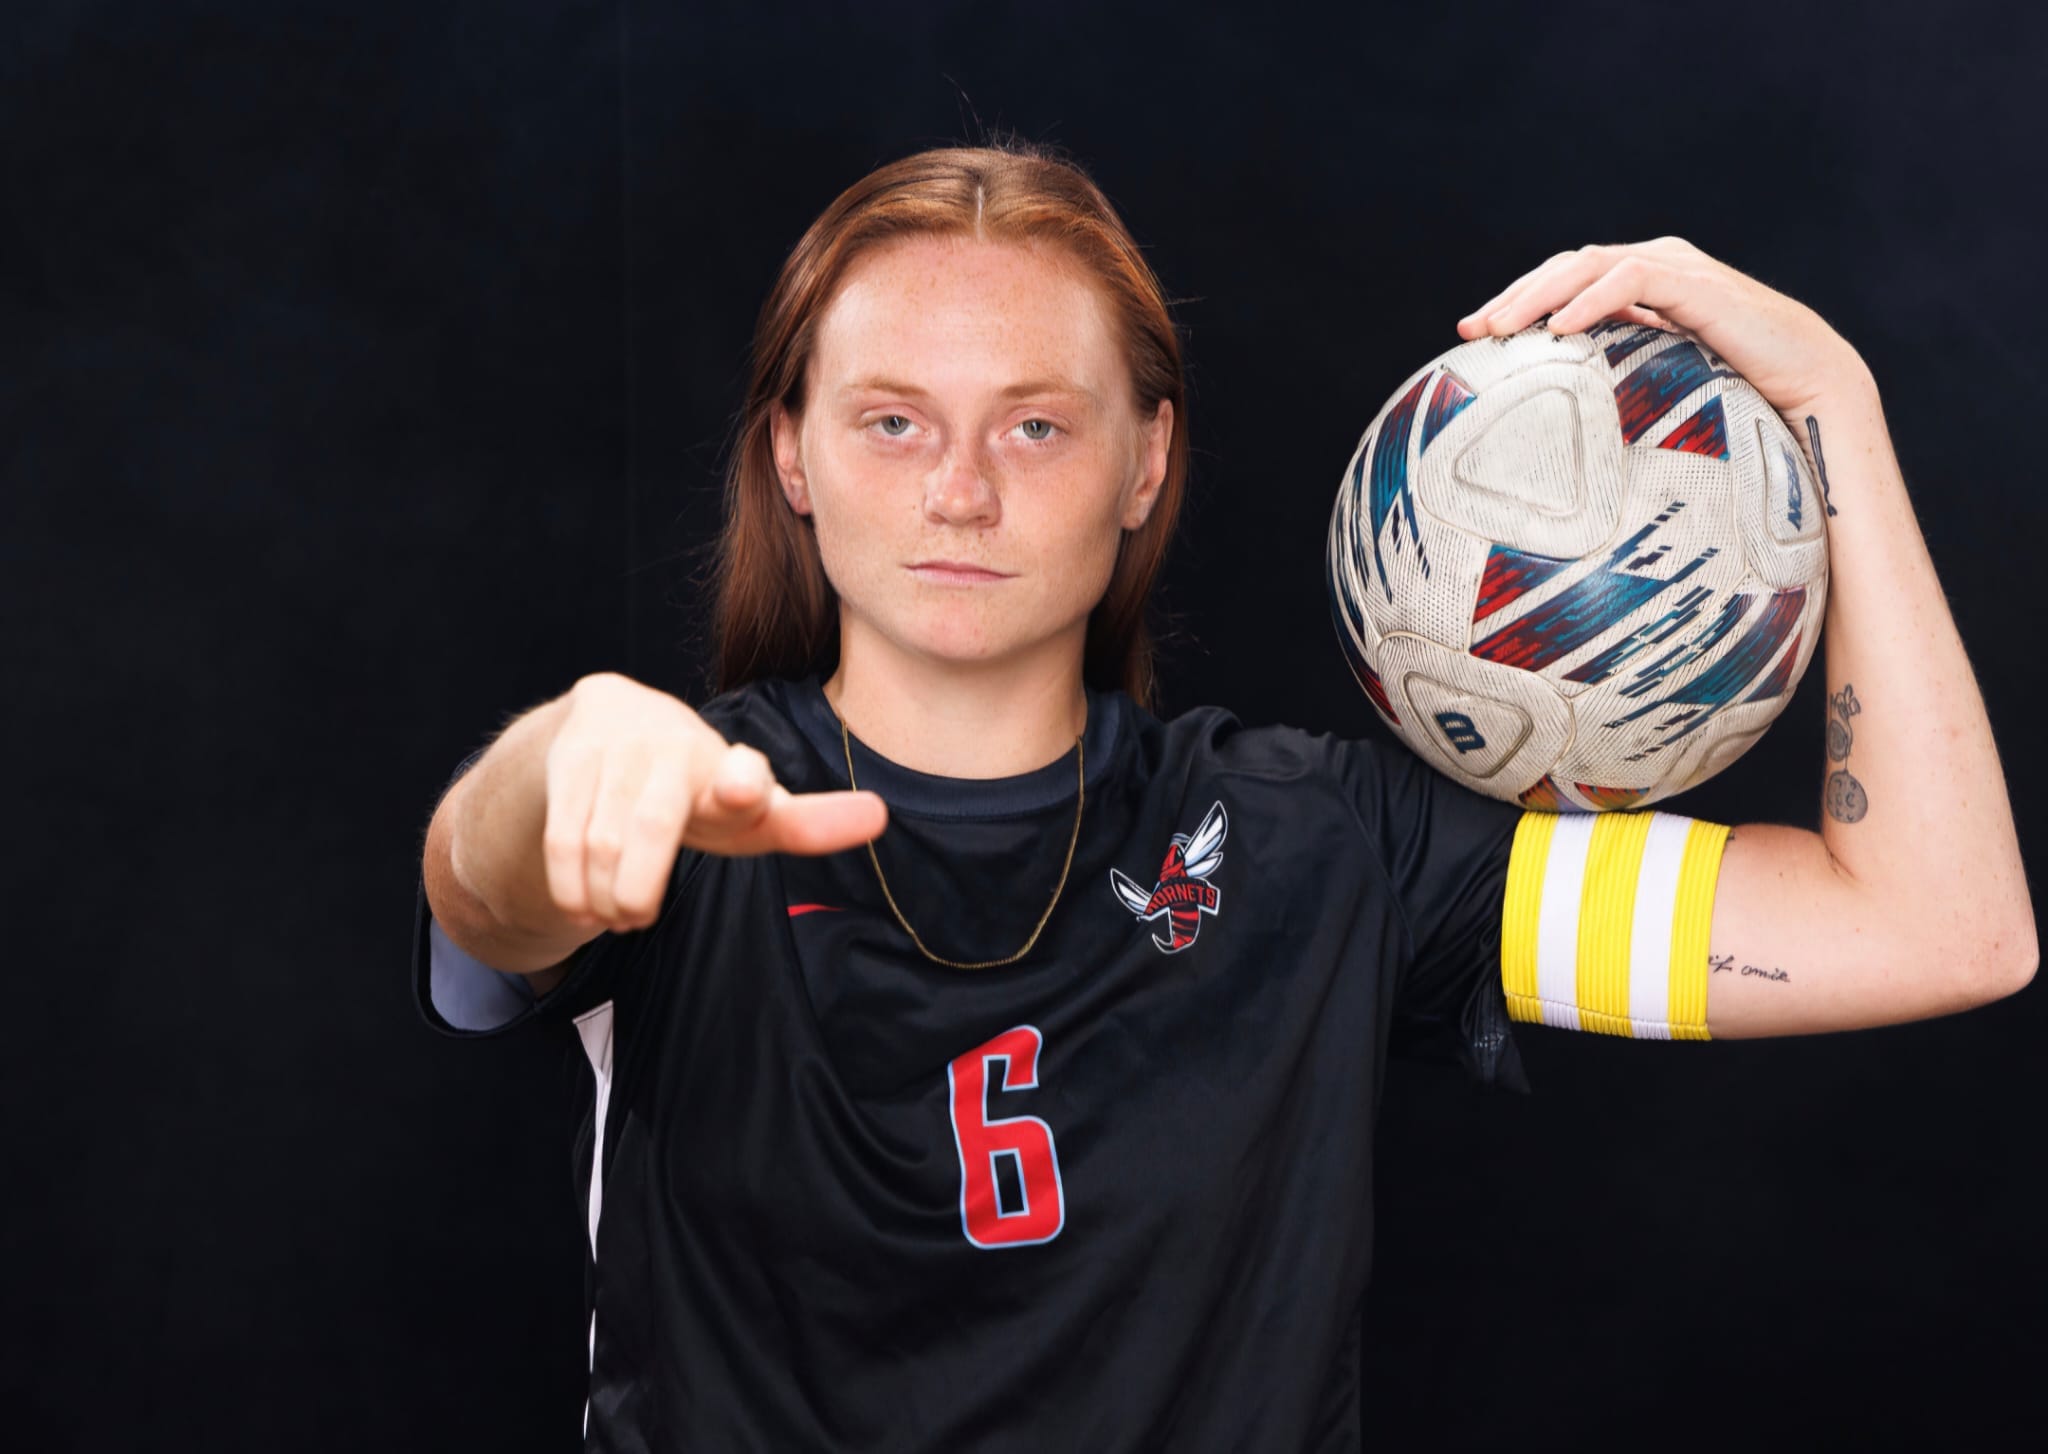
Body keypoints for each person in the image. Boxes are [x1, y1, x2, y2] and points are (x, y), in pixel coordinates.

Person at [412, 141, 2036, 1450]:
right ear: (791, 456)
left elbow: (1942, 928)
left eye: (1035, 424)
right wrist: (567, 753)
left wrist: (1836, 407)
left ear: (1145, 462)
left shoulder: (1326, 850)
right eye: (891, 420)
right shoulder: (673, 807)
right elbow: (485, 895)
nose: (960, 488)